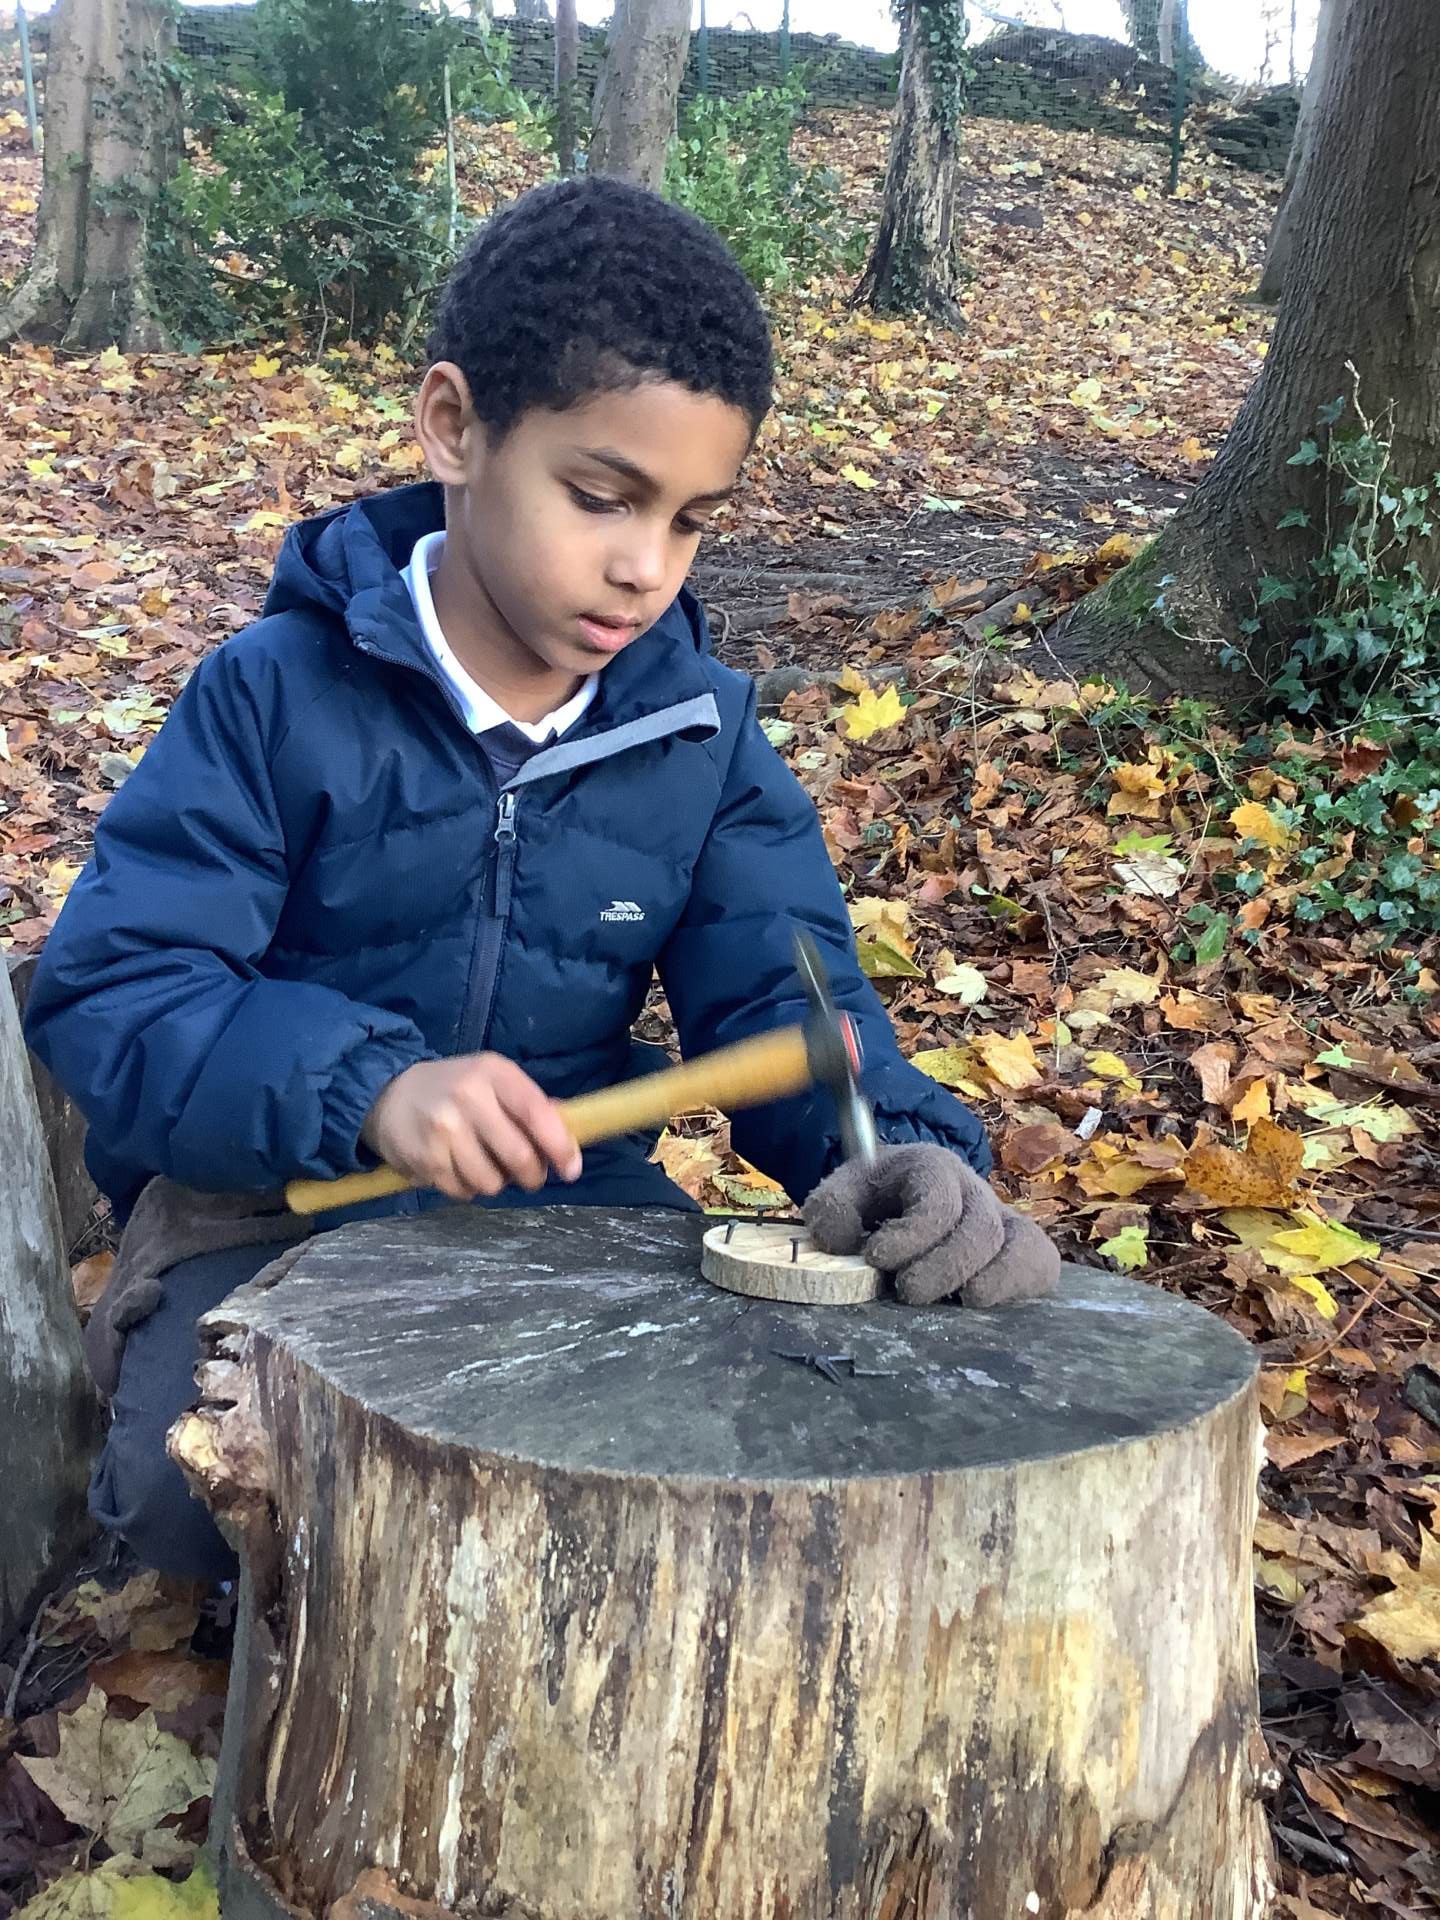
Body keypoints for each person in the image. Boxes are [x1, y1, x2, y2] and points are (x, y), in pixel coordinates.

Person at [25, 177, 1050, 1590]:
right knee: (191, 1498)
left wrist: (896, 1159)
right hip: (275, 1202)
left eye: (691, 522)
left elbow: (794, 1004)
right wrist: (372, 1087)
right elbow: (120, 989)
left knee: (720, 1460)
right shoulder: (272, 696)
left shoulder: (697, 732)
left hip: (576, 1206)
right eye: (601, 498)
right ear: (454, 426)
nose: (644, 568)